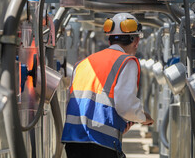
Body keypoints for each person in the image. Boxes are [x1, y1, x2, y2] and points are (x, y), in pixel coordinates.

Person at [61, 13, 154, 158]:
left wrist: (116, 126)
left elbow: (84, 104)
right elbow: (126, 106)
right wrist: (143, 117)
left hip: (73, 141)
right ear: (136, 41)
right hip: (100, 144)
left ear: (109, 40)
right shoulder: (126, 62)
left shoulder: (82, 64)